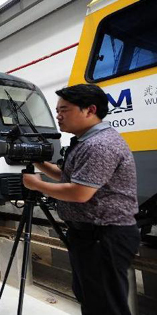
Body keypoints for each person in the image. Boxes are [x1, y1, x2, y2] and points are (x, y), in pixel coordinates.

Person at [22, 84, 140, 315]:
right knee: (91, 298)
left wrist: (37, 185)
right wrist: (37, 161)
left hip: (105, 236)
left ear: (89, 110)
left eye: (64, 109)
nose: (58, 115)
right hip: (90, 235)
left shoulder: (100, 145)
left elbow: (79, 192)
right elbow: (67, 176)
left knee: (105, 305)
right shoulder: (86, 141)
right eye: (58, 110)